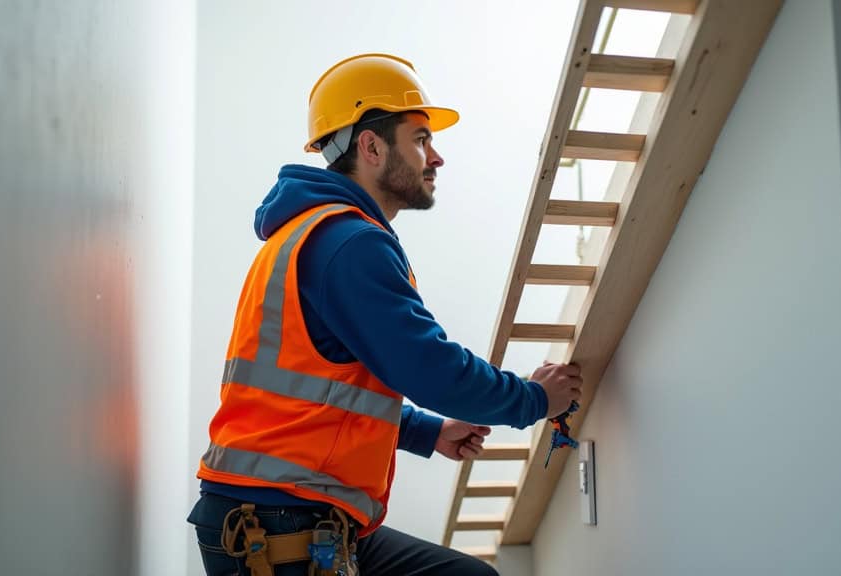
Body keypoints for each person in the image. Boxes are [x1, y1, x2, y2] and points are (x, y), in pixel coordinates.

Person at [187, 53, 583, 576]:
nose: (435, 157)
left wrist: (426, 433)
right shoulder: (348, 245)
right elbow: (430, 368)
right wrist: (535, 399)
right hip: (276, 523)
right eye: (420, 138)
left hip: (291, 512)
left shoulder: (318, 235)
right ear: (371, 147)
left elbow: (323, 392)